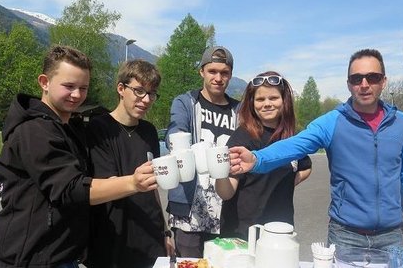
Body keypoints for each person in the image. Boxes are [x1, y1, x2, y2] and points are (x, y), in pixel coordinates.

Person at [229, 49, 403, 250]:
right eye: (356, 79)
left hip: (391, 235)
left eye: (372, 77)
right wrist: (257, 159)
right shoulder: (332, 122)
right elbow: (295, 145)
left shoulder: (401, 123)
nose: (364, 85)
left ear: (383, 81)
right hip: (345, 235)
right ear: (348, 84)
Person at [0, 45, 158, 268]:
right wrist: (133, 182)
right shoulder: (34, 131)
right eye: (69, 86)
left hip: (64, 256)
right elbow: (70, 189)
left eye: (83, 88)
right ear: (44, 82)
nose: (77, 95)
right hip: (31, 259)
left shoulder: (69, 128)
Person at [85, 60, 173, 268]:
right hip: (114, 240)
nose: (146, 100)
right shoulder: (98, 129)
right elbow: (102, 185)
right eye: (139, 91)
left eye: (151, 93)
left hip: (151, 239)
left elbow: (154, 188)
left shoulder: (150, 131)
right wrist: (134, 181)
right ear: (121, 89)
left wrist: (166, 230)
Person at [215, 71, 312, 240]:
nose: (266, 104)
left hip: (281, 231)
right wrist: (219, 173)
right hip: (243, 233)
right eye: (260, 99)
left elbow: (306, 166)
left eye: (273, 98)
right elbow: (226, 192)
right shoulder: (242, 137)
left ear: (284, 100)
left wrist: (288, 182)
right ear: (252, 104)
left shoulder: (293, 137)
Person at [166, 46, 240, 257]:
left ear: (231, 75)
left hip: (227, 210)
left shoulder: (239, 110)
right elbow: (176, 137)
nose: (218, 78)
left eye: (224, 73)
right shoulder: (186, 103)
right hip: (190, 211)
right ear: (202, 71)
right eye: (212, 71)